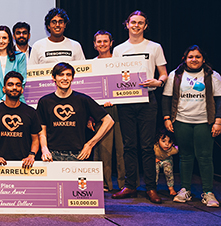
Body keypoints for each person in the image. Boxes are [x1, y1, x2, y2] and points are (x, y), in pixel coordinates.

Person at [112, 11, 168, 204]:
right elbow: (114, 76)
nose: (136, 25)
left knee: (146, 146)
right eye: (133, 22)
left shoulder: (154, 47)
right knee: (129, 145)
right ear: (126, 24)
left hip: (148, 100)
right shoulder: (119, 49)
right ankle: (130, 186)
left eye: (140, 23)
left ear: (145, 26)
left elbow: (163, 74)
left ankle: (151, 188)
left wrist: (158, 82)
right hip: (126, 102)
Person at [163, 45, 221, 207]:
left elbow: (219, 100)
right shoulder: (175, 75)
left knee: (205, 157)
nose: (194, 60)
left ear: (203, 59)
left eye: (197, 57)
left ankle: (208, 193)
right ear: (185, 59)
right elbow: (166, 98)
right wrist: (167, 118)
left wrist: (218, 121)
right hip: (182, 121)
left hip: (205, 122)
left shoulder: (212, 75)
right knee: (185, 157)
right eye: (190, 57)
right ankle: (185, 190)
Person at [37, 62, 114, 162]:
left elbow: (109, 121)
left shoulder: (83, 99)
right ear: (53, 77)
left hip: (78, 155)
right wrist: (44, 149)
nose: (65, 78)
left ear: (72, 78)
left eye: (68, 75)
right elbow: (42, 129)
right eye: (61, 75)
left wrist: (90, 144)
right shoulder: (44, 102)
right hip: (52, 155)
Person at [0, 72, 40, 168]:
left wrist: (31, 156)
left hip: (24, 165)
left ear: (22, 89)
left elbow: (35, 139)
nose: (14, 88)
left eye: (18, 85)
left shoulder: (31, 112)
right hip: (0, 166)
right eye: (10, 85)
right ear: (4, 89)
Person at [92, 30, 126, 192]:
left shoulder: (120, 62)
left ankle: (123, 184)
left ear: (111, 43)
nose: (102, 44)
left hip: (121, 109)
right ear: (94, 44)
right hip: (100, 111)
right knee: (103, 149)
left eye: (105, 41)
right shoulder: (90, 64)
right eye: (99, 42)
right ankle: (105, 184)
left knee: (122, 148)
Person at [153, 129, 178, 197]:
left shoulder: (173, 150)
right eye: (163, 141)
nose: (166, 144)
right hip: (156, 160)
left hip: (166, 160)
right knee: (154, 171)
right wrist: (154, 159)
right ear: (158, 140)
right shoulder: (155, 147)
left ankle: (171, 188)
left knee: (168, 171)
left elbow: (178, 149)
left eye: (169, 142)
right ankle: (153, 187)